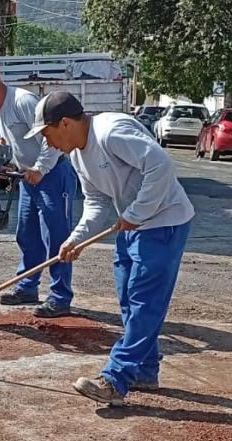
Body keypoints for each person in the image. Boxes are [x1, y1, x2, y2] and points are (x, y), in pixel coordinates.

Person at [27, 91, 195, 407]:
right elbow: (96, 202)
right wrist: (76, 239)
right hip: (132, 224)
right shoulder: (77, 154)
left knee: (144, 301)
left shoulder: (112, 131)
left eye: (46, 134)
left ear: (64, 123)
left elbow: (160, 166)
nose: (46, 144)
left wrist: (136, 213)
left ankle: (115, 379)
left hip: (164, 223)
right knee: (129, 300)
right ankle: (145, 371)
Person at [0, 57, 77, 318]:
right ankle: (27, 286)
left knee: (57, 237)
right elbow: (9, 142)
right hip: (27, 177)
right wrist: (7, 161)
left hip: (52, 174)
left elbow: (50, 137)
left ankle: (60, 296)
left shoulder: (22, 101)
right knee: (27, 234)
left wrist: (40, 169)